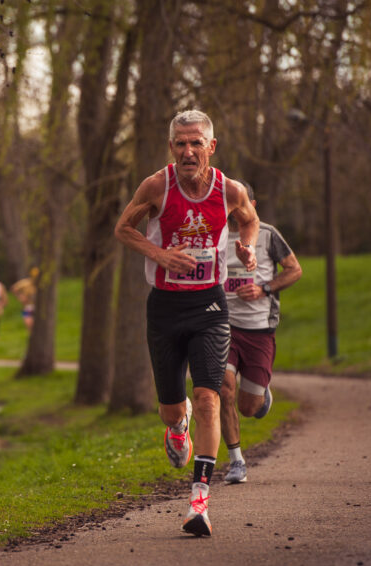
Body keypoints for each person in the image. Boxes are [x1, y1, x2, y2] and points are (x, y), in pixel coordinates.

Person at [114, 109, 259, 537]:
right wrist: (160, 255)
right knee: (171, 408)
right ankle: (178, 425)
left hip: (209, 306)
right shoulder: (157, 185)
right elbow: (123, 228)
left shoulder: (229, 190)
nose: (188, 151)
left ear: (211, 147)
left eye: (196, 143)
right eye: (180, 143)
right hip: (164, 307)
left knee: (211, 397)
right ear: (171, 147)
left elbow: (249, 219)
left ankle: (199, 504)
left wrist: (247, 247)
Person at [219, 183, 302, 484]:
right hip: (222, 327)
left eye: (239, 204)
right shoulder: (214, 236)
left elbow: (295, 269)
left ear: (250, 204)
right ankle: (236, 461)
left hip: (258, 330)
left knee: (248, 406)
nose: (233, 209)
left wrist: (263, 289)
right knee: (224, 389)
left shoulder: (268, 235)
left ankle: (261, 395)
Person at [10, 267, 39, 331]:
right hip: (27, 307)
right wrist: (20, 296)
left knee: (38, 328)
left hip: (38, 308)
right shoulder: (26, 283)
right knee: (29, 325)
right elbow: (14, 288)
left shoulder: (41, 285)